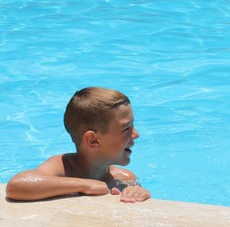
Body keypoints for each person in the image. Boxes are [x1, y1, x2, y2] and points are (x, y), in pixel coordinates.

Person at [6, 87, 151, 203]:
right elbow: (16, 186)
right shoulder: (61, 167)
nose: (136, 134)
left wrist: (140, 193)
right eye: (127, 128)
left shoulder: (125, 178)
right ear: (93, 140)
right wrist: (85, 185)